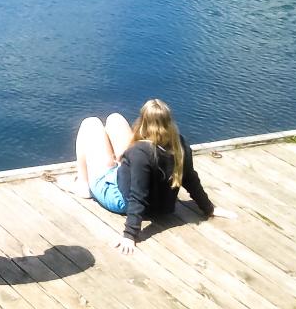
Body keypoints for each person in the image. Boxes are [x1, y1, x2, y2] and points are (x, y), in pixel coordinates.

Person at [73, 99, 235, 255]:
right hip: (161, 203)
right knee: (115, 119)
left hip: (122, 199)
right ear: (169, 122)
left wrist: (130, 235)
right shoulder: (179, 144)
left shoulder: (139, 153)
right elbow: (190, 179)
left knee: (91, 124)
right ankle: (116, 166)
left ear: (142, 121)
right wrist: (209, 208)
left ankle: (84, 184)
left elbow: (137, 196)